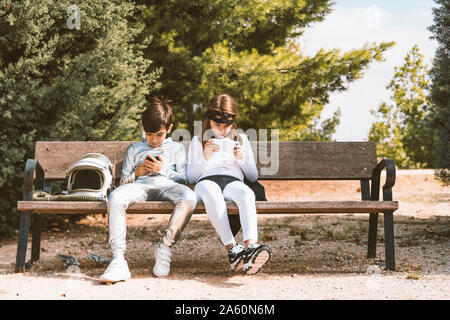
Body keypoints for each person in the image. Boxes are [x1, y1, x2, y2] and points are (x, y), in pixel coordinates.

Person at [100, 97, 197, 283]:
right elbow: (123, 183)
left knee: (190, 197)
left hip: (168, 185)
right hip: (139, 186)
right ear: (143, 129)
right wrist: (136, 173)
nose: (153, 139)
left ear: (169, 129)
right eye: (149, 133)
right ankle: (118, 259)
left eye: (159, 134)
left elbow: (183, 178)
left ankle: (165, 247)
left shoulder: (176, 148)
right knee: (115, 197)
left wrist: (163, 170)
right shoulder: (135, 148)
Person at [187, 94, 271, 275]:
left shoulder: (240, 140)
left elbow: (252, 175)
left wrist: (242, 158)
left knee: (246, 194)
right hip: (207, 181)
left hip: (233, 181)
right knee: (212, 193)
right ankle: (232, 249)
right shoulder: (198, 140)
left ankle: (250, 248)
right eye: (217, 125)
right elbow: (191, 177)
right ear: (208, 121)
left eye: (227, 126)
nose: (222, 130)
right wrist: (205, 155)